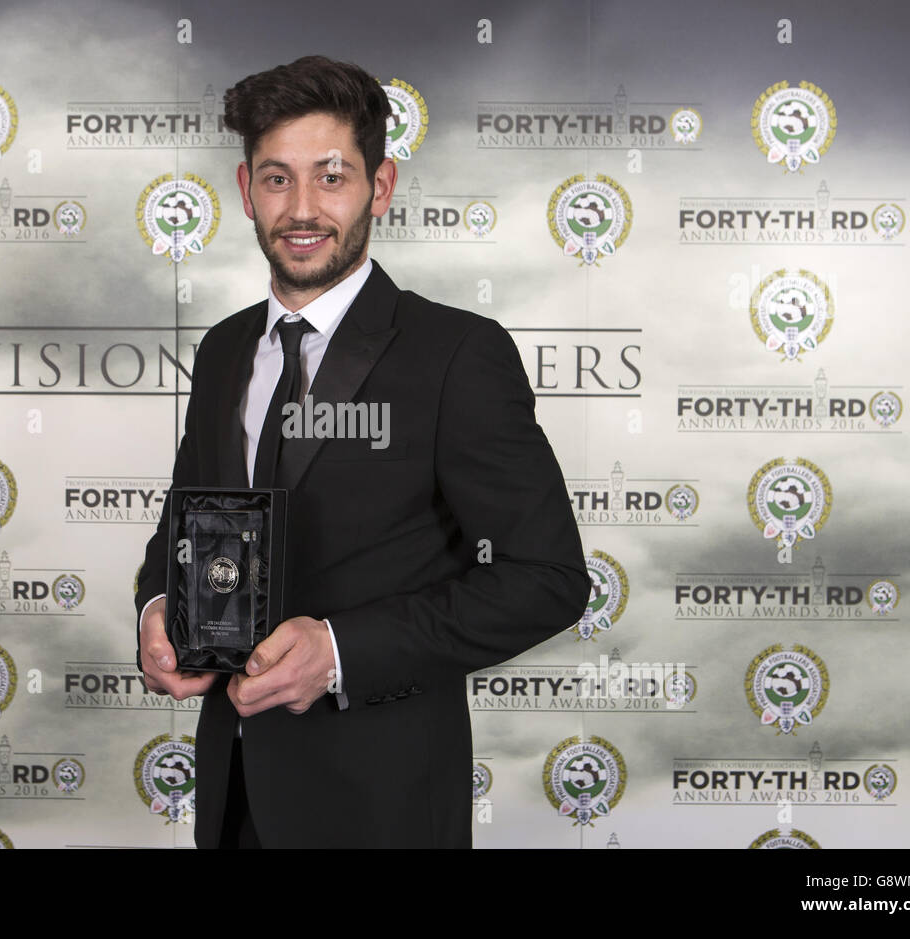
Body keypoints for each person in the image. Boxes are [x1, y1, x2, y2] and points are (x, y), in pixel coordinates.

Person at [134, 55, 589, 848]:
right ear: (246, 191)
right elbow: (183, 526)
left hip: (385, 808)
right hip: (234, 799)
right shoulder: (220, 351)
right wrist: (156, 609)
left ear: (380, 186)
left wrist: (340, 652)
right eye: (277, 179)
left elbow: (548, 581)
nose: (302, 208)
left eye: (332, 177)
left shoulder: (457, 355)